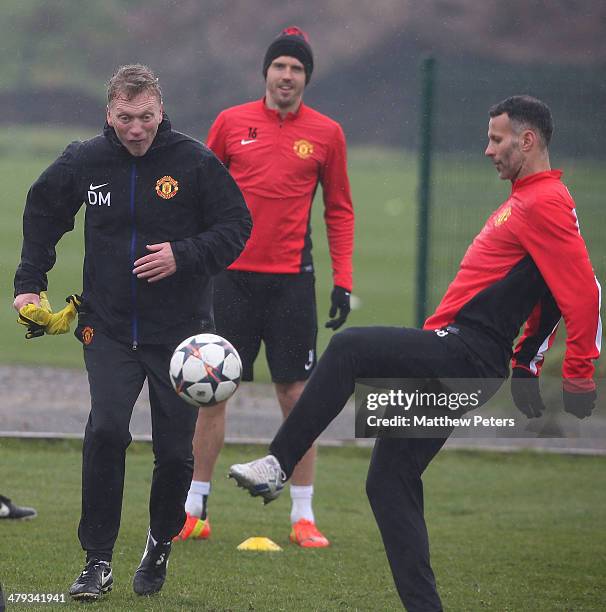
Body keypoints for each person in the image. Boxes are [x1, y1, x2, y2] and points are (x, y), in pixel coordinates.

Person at [227, 96, 601, 610]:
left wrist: (578, 373)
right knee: (388, 481)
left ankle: (279, 462)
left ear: (527, 140)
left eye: (496, 139)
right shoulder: (530, 199)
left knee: (349, 347)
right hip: (463, 360)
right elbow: (550, 289)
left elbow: (584, 292)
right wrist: (525, 364)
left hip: (463, 356)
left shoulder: (545, 202)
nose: (487, 149)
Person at [13, 64, 251, 601]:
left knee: (173, 454)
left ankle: (160, 542)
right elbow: (43, 210)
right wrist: (30, 282)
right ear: (109, 113)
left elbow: (236, 226)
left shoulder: (193, 162)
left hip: (180, 339)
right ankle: (96, 561)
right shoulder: (86, 160)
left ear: (160, 111)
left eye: (145, 117)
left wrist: (184, 255)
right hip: (109, 327)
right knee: (104, 432)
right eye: (125, 117)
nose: (136, 128)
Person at [178, 27, 354, 547]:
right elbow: (198, 193)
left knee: (296, 394)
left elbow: (339, 210)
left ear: (306, 78)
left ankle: (303, 516)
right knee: (213, 392)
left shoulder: (327, 133)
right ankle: (194, 510)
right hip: (229, 278)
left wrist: (342, 280)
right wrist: (194, 260)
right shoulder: (231, 123)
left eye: (297, 68)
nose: (287, 75)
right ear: (266, 72)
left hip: (291, 283)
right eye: (280, 65)